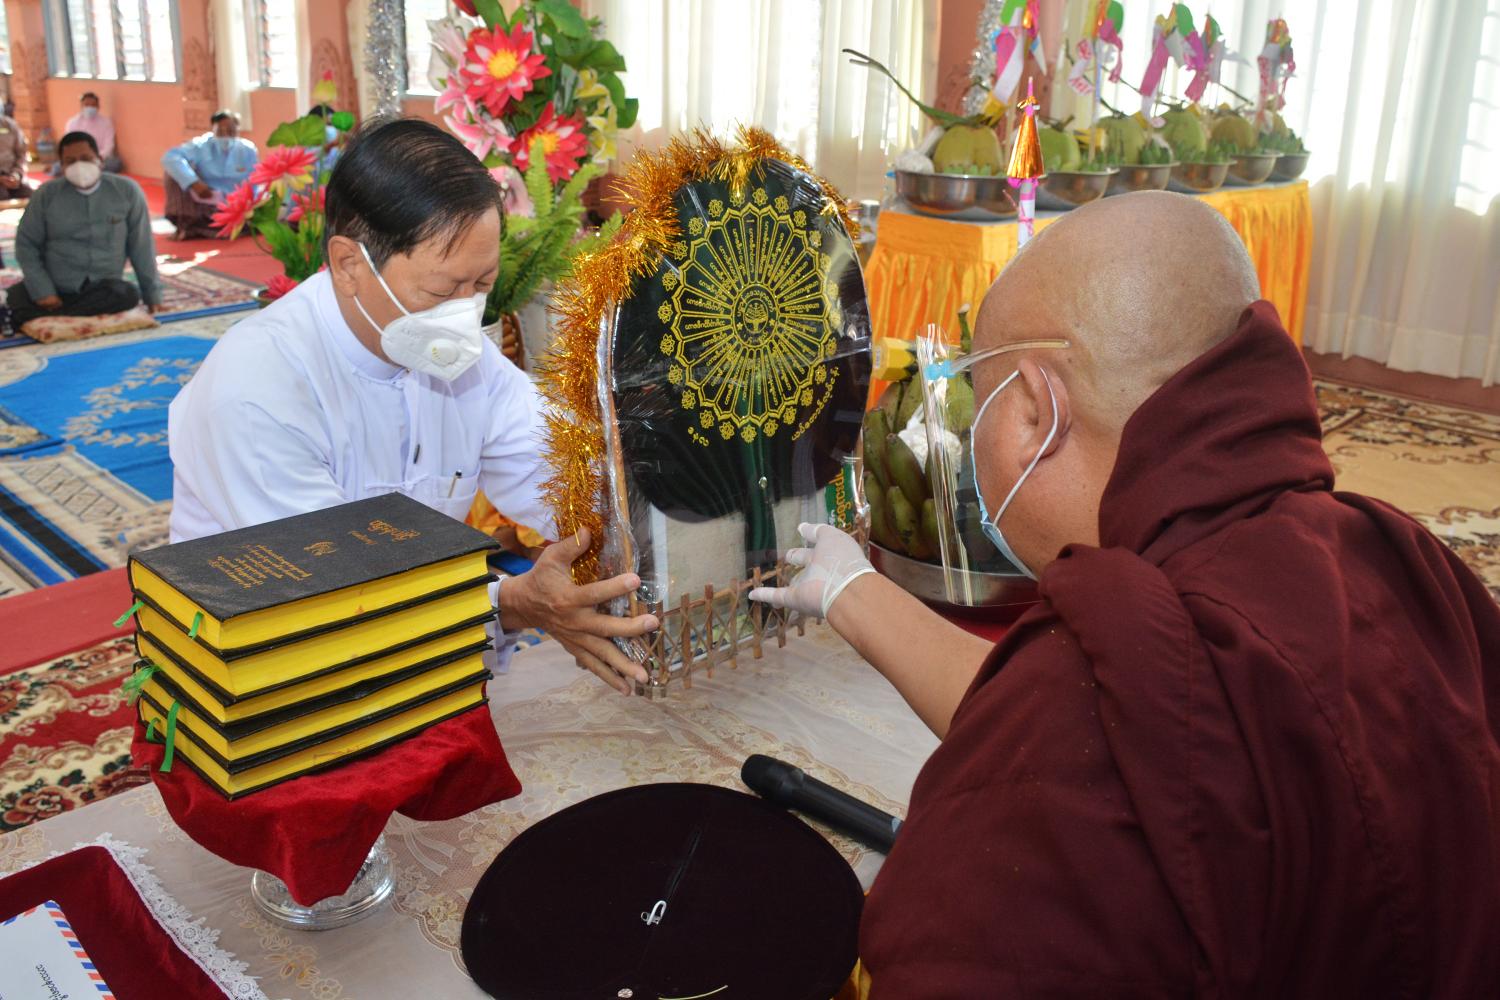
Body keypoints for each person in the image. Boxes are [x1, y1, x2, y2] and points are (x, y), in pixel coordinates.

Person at [750, 192, 1500, 996]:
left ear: (1035, 412)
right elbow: (1061, 710)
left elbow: (1072, 743)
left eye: (980, 399)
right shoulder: (1402, 552)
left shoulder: (1088, 711)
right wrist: (853, 591)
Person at [168, 117, 657, 693]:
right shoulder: (256, 390)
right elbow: (336, 597)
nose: (465, 312)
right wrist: (513, 605)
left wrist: (656, 519)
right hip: (269, 685)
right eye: (442, 290)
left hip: (426, 656)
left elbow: (571, 476)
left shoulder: (462, 359)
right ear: (349, 265)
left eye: (482, 285)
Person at [8, 131, 161, 328]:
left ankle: (51, 316)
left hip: (103, 287)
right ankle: (60, 312)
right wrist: (43, 291)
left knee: (127, 294)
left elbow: (141, 246)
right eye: (70, 161)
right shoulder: (46, 195)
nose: (79, 166)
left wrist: (152, 296)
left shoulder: (126, 191)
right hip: (57, 285)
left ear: (100, 160)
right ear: (61, 166)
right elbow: (26, 244)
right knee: (14, 297)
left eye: (86, 159)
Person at [161, 109, 258, 240]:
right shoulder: (200, 146)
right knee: (172, 174)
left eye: (230, 130)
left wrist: (251, 204)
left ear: (238, 129)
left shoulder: (248, 150)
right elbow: (171, 158)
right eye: (220, 131)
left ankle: (221, 228)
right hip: (206, 202)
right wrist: (193, 182)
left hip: (237, 204)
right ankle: (192, 226)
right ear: (212, 129)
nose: (225, 135)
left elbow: (254, 181)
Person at [56, 92, 123, 173]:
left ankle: (86, 172)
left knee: (115, 163)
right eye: (87, 105)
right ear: (81, 106)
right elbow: (68, 145)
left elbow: (109, 146)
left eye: (93, 105)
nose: (90, 107)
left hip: (99, 158)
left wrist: (95, 158)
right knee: (57, 168)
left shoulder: (106, 122)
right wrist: (81, 159)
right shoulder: (72, 123)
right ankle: (89, 171)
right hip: (78, 159)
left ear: (98, 106)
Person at [0, 108, 30, 200]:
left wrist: (16, 175)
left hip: (10, 175)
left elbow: (22, 154)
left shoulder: (9, 125)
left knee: (34, 196)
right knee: (3, 196)